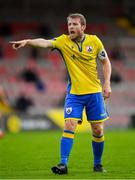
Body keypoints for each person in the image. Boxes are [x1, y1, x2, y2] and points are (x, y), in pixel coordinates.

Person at [10, 13, 111, 174]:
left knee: (98, 130)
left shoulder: (95, 41)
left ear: (83, 27)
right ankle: (63, 164)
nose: (71, 27)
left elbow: (106, 62)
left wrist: (107, 83)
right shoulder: (63, 41)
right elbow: (45, 42)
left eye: (74, 24)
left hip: (94, 93)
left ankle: (97, 164)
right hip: (75, 94)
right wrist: (28, 42)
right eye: (69, 24)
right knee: (69, 124)